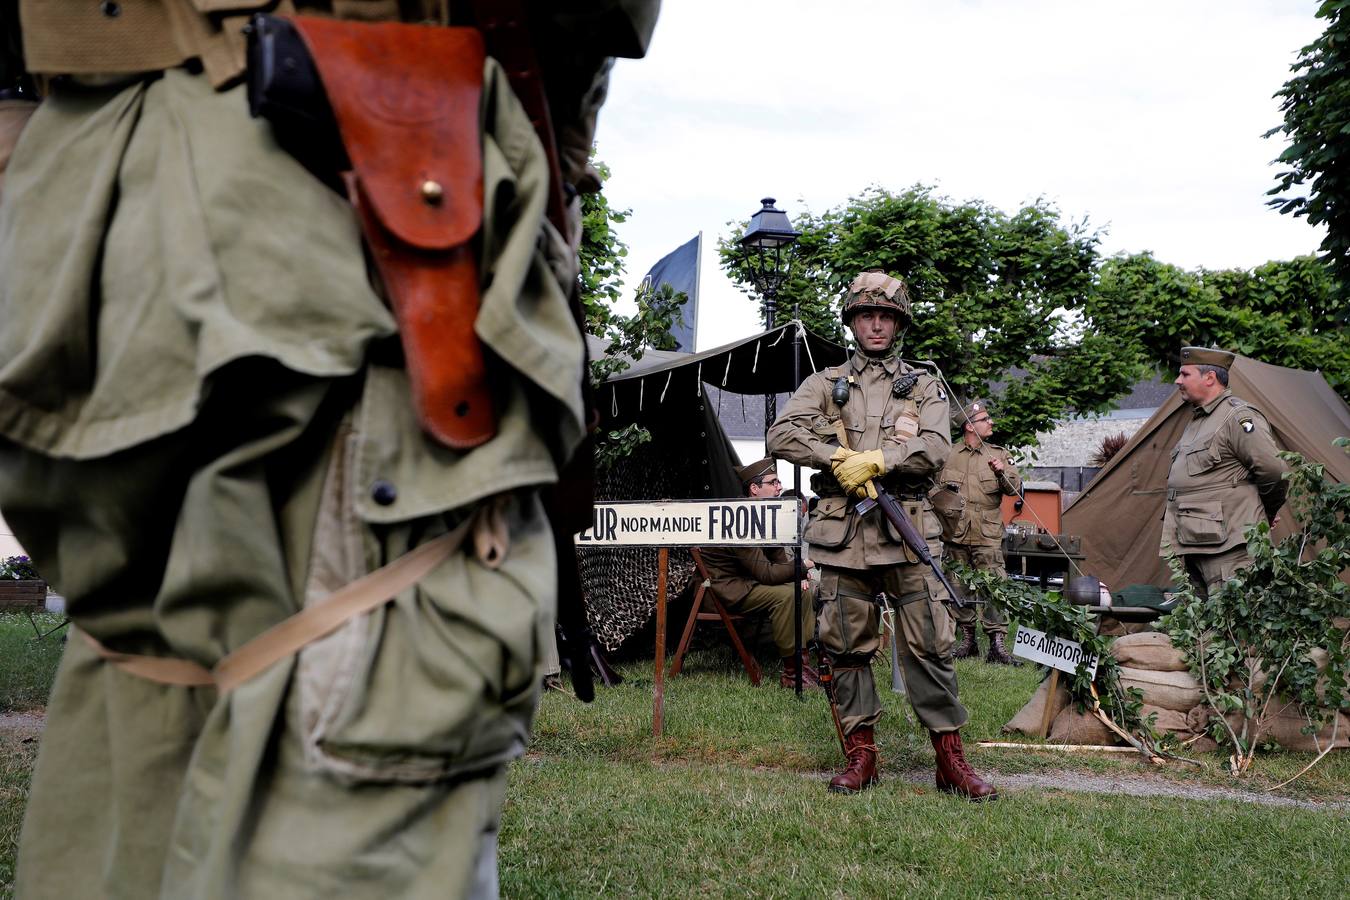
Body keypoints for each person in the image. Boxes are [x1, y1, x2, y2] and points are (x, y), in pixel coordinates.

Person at [0, 2, 658, 896]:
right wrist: (550, 180)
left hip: (77, 226)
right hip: (349, 193)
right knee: (358, 729)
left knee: (135, 731)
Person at [767, 270, 996, 800]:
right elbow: (782, 433)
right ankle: (862, 756)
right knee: (845, 644)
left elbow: (937, 446)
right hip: (843, 533)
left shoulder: (924, 384)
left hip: (907, 525)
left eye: (885, 316)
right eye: (866, 315)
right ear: (852, 321)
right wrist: (836, 457)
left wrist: (882, 458)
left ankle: (949, 760)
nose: (876, 325)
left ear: (899, 324)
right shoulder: (825, 384)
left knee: (930, 644)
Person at [1162, 346, 1288, 599]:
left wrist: (1267, 510)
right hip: (1197, 541)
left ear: (1209, 378)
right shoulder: (1199, 420)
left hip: (1230, 547)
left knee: (1233, 626)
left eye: (1185, 374)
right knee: (1205, 630)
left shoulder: (1238, 416)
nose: (1178, 381)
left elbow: (1274, 471)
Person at [699, 459, 819, 688]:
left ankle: (801, 666)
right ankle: (792, 675)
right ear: (754, 489)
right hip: (725, 590)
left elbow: (778, 561)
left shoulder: (765, 514)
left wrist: (797, 576)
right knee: (787, 596)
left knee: (801, 591)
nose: (779, 488)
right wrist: (804, 566)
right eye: (773, 482)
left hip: (747, 582)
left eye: (779, 482)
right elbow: (766, 573)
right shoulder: (741, 518)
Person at [939, 398, 1022, 665]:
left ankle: (997, 643)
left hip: (987, 536)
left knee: (993, 587)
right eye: (985, 419)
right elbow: (933, 489)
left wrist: (1001, 473)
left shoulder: (998, 454)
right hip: (956, 533)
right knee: (957, 585)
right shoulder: (948, 454)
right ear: (970, 426)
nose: (991, 423)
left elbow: (1014, 488)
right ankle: (967, 640)